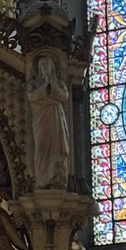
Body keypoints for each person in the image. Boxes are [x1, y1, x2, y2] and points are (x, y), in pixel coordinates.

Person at [27, 55, 71, 188]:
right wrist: (45, 86)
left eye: (47, 65)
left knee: (57, 148)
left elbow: (64, 97)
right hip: (41, 120)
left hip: (56, 119)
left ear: (52, 68)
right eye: (42, 65)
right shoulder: (33, 84)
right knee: (41, 147)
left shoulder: (59, 83)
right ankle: (42, 180)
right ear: (39, 69)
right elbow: (31, 96)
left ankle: (56, 178)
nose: (45, 68)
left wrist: (51, 86)